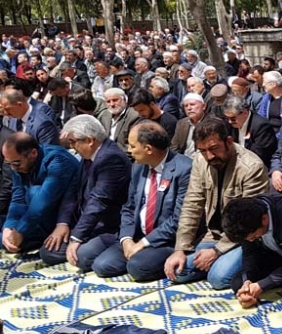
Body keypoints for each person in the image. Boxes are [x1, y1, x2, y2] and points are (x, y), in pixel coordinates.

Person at [164, 117, 270, 289]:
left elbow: (249, 221)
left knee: (218, 279)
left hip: (245, 237)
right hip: (213, 234)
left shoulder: (251, 167)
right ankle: (217, 263)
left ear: (228, 141)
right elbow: (192, 204)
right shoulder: (200, 160)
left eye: (214, 148)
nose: (209, 156)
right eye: (203, 150)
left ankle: (253, 265)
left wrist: (216, 252)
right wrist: (180, 249)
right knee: (177, 270)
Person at [89, 122, 193, 281]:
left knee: (137, 267)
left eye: (132, 146)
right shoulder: (138, 167)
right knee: (99, 264)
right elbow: (128, 208)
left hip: (165, 240)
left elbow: (178, 219)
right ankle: (137, 255)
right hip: (137, 235)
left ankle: (150, 260)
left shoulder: (184, 169)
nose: (129, 150)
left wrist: (144, 243)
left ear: (149, 149)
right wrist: (126, 239)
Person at [39, 115, 130, 268]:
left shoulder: (112, 158)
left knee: (81, 257)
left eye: (73, 141)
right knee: (48, 251)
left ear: (89, 140)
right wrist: (63, 223)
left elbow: (99, 202)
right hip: (86, 223)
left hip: (107, 226)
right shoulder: (89, 155)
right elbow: (73, 191)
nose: (72, 146)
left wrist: (76, 238)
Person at [2, 132, 81, 254]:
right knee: (6, 237)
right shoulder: (17, 163)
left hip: (67, 217)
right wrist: (8, 227)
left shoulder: (58, 160)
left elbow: (43, 201)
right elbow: (18, 198)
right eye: (9, 163)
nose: (13, 168)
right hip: (38, 217)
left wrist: (20, 231)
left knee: (34, 192)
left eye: (16, 163)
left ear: (33, 153)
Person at [221, 95, 277, 169]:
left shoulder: (261, 126)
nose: (229, 121)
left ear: (245, 113)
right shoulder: (229, 123)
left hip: (255, 166)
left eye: (233, 118)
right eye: (227, 118)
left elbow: (258, 155)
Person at [171, 93, 208, 158]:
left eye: (192, 104)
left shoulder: (213, 123)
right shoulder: (181, 123)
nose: (189, 108)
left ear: (204, 106)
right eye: (186, 106)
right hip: (184, 161)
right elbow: (174, 147)